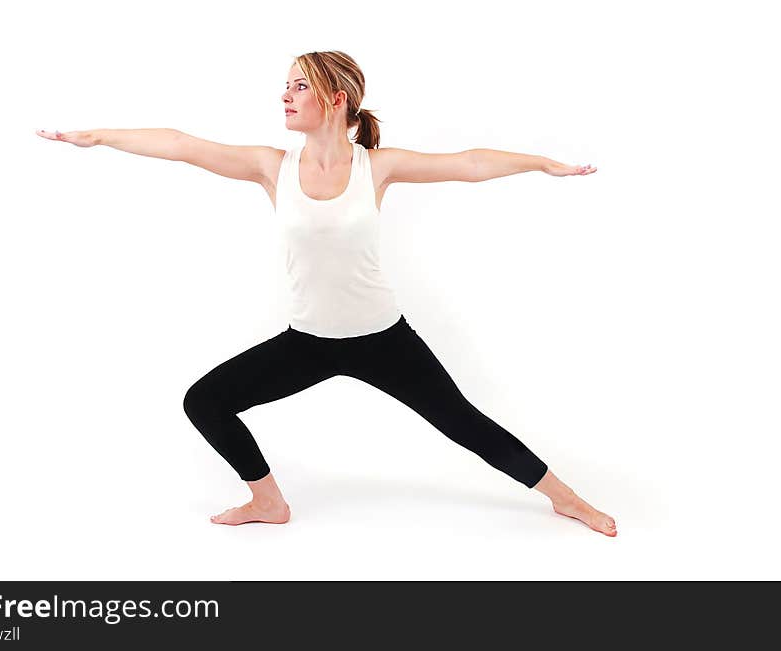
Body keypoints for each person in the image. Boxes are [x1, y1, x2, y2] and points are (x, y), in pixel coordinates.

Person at [36, 50, 616, 537]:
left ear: (336, 98)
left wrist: (544, 163)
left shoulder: (378, 166)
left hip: (384, 340)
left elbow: (468, 163)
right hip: (307, 343)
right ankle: (268, 501)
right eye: (283, 86)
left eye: (299, 86)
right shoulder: (271, 166)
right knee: (204, 401)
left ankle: (566, 497)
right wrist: (102, 136)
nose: (285, 96)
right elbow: (181, 143)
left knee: (463, 423)